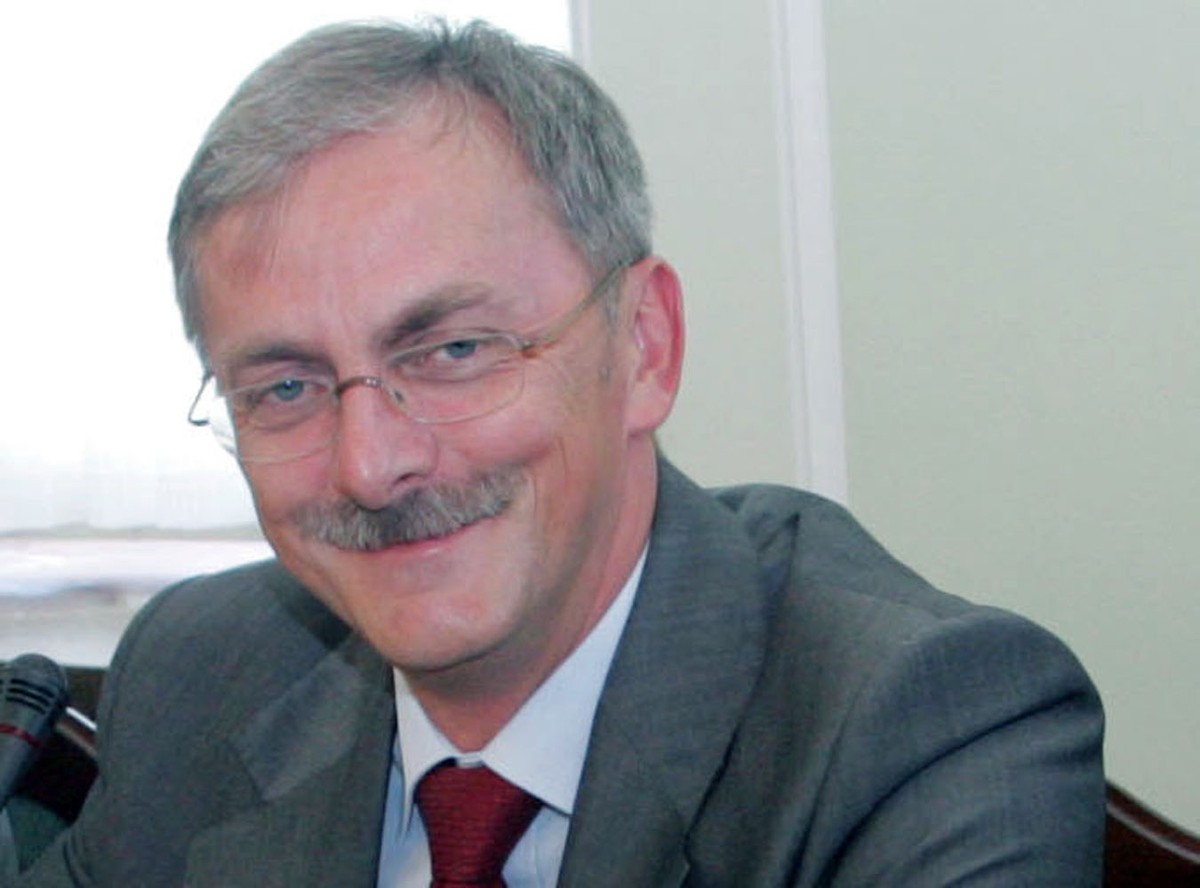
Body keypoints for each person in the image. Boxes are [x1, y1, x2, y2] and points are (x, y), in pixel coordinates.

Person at [13, 18, 1104, 887]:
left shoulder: (918, 727)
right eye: (286, 389)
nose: (371, 466)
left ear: (644, 347)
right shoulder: (205, 674)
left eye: (452, 351)